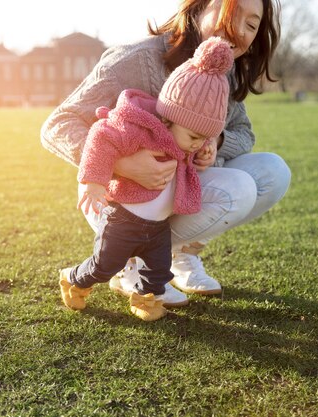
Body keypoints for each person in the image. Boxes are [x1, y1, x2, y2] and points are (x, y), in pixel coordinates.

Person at [41, 0, 291, 308]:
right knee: (238, 188)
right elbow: (57, 125)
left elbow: (244, 134)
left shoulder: (226, 73)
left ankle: (181, 255)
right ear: (199, 7)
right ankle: (130, 262)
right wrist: (121, 165)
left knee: (273, 172)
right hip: (117, 196)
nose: (239, 31)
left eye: (251, 25)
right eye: (232, 14)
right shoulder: (136, 59)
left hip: (174, 190)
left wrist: (214, 142)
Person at [59, 37, 233, 321]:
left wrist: (204, 151)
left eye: (204, 138)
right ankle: (74, 279)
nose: (196, 144)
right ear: (170, 118)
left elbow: (192, 151)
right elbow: (101, 137)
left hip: (157, 226)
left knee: (158, 269)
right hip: (123, 219)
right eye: (193, 137)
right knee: (104, 265)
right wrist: (94, 181)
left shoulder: (187, 142)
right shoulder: (142, 130)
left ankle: (145, 299)